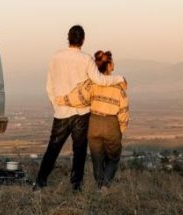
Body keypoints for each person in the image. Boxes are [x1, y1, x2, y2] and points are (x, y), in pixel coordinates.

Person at [34, 25, 126, 191]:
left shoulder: (56, 57)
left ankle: (40, 183)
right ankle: (76, 185)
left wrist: (56, 105)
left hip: (61, 112)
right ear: (83, 40)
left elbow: (49, 85)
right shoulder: (86, 59)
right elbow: (99, 80)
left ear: (68, 38)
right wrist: (119, 78)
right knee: (79, 151)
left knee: (53, 149)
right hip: (82, 112)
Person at [56, 50, 129, 189]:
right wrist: (122, 129)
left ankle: (99, 187)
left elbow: (78, 98)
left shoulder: (91, 84)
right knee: (113, 158)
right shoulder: (118, 88)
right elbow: (124, 110)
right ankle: (105, 186)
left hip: (94, 123)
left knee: (97, 158)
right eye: (112, 63)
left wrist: (60, 100)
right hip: (111, 124)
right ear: (109, 65)